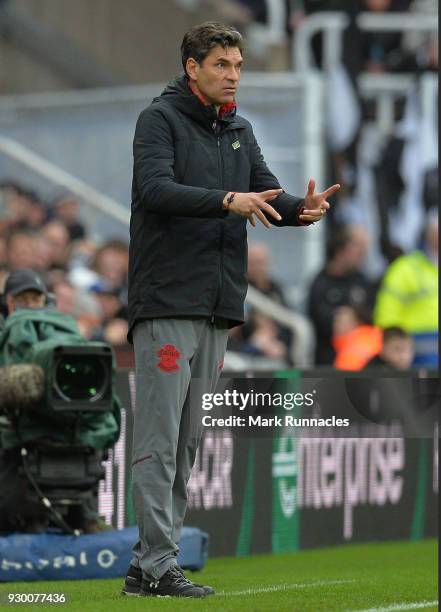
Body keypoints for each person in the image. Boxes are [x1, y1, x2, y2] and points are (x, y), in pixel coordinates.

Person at [125, 21, 340, 599]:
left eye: (239, 66)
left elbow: (268, 193)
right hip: (168, 298)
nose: (233, 75)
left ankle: (149, 564)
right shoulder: (159, 120)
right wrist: (225, 201)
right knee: (159, 435)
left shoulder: (238, 130)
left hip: (218, 302)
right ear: (192, 67)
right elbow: (154, 189)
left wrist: (304, 208)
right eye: (223, 64)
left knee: (188, 438)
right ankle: (155, 565)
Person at [373, 210, 438, 368]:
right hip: (414, 353)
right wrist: (394, 347)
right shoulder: (404, 268)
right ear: (430, 235)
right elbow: (387, 312)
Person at [307, 225, 372, 365]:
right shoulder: (321, 282)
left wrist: (355, 318)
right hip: (328, 362)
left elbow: (371, 315)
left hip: (361, 362)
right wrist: (339, 319)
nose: (363, 252)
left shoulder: (362, 280)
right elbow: (317, 317)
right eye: (357, 246)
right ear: (340, 249)